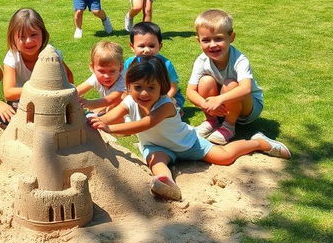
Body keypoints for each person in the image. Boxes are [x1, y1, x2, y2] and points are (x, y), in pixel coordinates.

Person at [90, 57, 290, 201]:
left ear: (162, 87)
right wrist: (92, 119)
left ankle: (259, 142)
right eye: (138, 87)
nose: (144, 93)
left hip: (187, 142)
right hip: (156, 146)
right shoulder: (128, 102)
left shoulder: (166, 104)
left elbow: (147, 123)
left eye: (151, 87)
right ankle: (165, 182)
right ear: (128, 86)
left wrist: (110, 128)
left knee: (224, 158)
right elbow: (108, 116)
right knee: (156, 162)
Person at [186, 9, 264, 145]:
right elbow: (190, 91)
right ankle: (212, 121)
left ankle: (229, 127)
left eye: (218, 38)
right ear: (198, 41)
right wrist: (206, 105)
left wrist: (219, 99)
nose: (213, 45)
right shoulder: (201, 60)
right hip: (223, 105)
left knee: (231, 84)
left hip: (249, 108)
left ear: (231, 37)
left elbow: (246, 89)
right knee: (205, 81)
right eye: (206, 40)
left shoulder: (240, 59)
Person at [2, 8, 74, 106]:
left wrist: (67, 97)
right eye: (22, 37)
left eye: (33, 35)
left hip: (48, 101)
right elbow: (8, 93)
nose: (28, 41)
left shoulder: (51, 54)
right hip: (21, 101)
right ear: (12, 38)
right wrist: (39, 90)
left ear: (43, 34)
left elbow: (68, 77)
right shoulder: (13, 57)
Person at [125, 21, 184, 112]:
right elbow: (127, 85)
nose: (147, 50)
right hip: (142, 95)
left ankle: (177, 112)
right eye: (141, 46)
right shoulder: (130, 63)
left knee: (167, 109)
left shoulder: (165, 64)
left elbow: (173, 87)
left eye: (152, 46)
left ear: (160, 46)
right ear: (132, 46)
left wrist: (163, 101)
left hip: (166, 96)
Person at [76, 41, 125, 112]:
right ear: (92, 68)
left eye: (112, 71)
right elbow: (78, 90)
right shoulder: (95, 77)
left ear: (120, 68)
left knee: (112, 106)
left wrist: (88, 103)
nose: (106, 76)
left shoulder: (124, 80)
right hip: (111, 107)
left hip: (128, 114)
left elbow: (111, 99)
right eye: (101, 71)